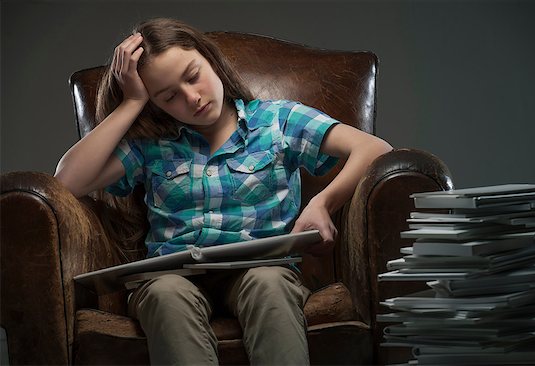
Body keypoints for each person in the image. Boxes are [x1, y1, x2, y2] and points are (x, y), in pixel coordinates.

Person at [55, 18, 392, 365]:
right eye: (169, 96)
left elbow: (374, 149)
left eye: (192, 75)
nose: (192, 97)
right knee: (165, 295)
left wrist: (322, 202)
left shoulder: (278, 121)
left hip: (262, 269)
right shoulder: (151, 145)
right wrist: (132, 101)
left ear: (211, 60)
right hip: (171, 276)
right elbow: (67, 181)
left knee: (269, 286)